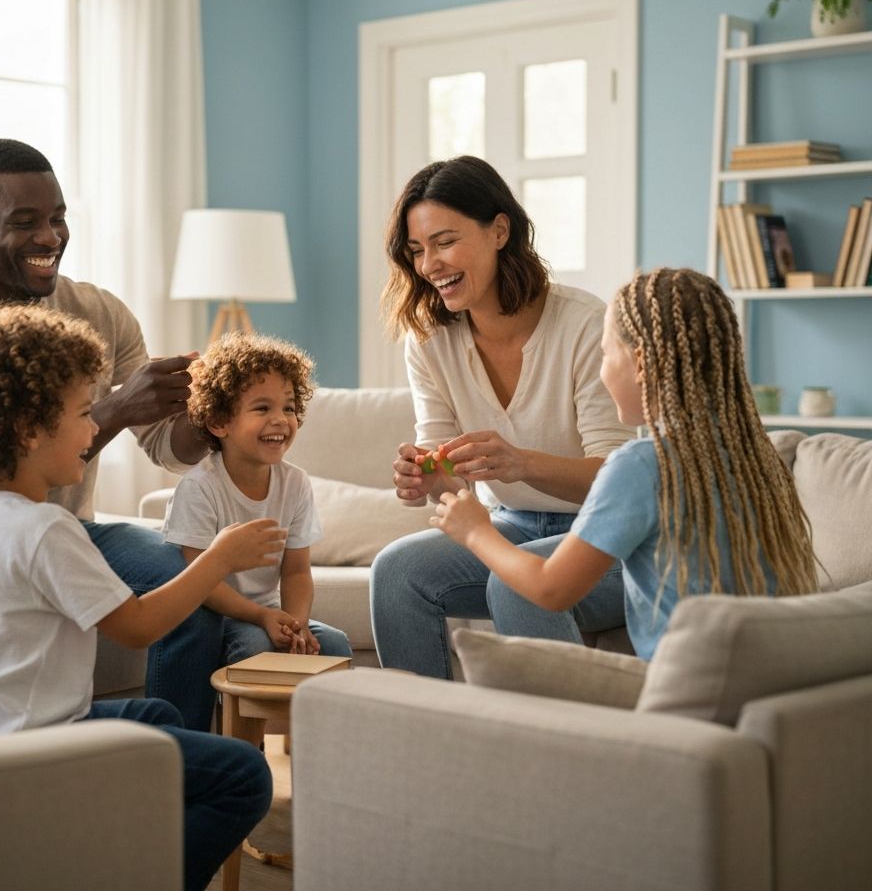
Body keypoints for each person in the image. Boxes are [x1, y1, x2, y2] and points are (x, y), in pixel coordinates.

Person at [0, 303, 277, 891]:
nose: (95, 431)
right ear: (28, 431)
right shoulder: (46, 531)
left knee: (156, 718)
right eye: (86, 414)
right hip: (26, 754)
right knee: (244, 776)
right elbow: (137, 628)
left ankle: (105, 851)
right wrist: (221, 557)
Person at [0, 138, 220, 731]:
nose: (50, 237)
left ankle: (169, 778)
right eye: (25, 221)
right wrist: (115, 408)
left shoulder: (99, 311)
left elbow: (167, 447)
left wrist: (208, 414)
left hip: (64, 531)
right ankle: (49, 772)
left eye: (59, 217)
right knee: (33, 597)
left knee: (198, 594)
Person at [431, 267, 818, 659]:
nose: (601, 370)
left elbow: (550, 588)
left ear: (639, 363)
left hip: (680, 698)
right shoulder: (754, 456)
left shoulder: (641, 466)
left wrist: (476, 531)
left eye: (604, 353)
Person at [369, 155, 635, 678]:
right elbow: (449, 480)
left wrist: (520, 464)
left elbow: (618, 480)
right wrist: (425, 476)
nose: (429, 265)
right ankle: (424, 746)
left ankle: (558, 752)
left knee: (517, 581)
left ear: (499, 231)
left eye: (445, 242)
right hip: (512, 524)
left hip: (603, 532)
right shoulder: (429, 342)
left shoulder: (584, 325)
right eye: (418, 250)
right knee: (396, 571)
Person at [162, 332, 352, 662]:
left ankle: (310, 716)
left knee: (334, 645)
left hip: (267, 613)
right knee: (254, 647)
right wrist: (260, 617)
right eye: (262, 407)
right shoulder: (200, 488)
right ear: (220, 422)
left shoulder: (295, 483)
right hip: (215, 615)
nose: (280, 419)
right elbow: (198, 580)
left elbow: (295, 571)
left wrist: (297, 626)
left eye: (289, 407)